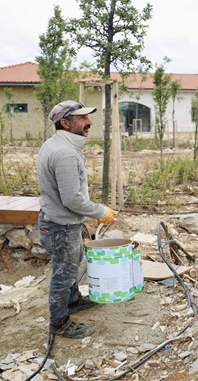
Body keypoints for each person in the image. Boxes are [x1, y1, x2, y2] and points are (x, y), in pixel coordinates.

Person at [38, 100, 118, 339]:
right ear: (65, 123)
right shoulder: (64, 154)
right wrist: (101, 212)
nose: (89, 122)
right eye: (82, 118)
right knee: (64, 272)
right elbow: (72, 199)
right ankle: (59, 321)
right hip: (60, 225)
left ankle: (73, 300)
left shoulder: (56, 145)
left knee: (74, 261)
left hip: (57, 220)